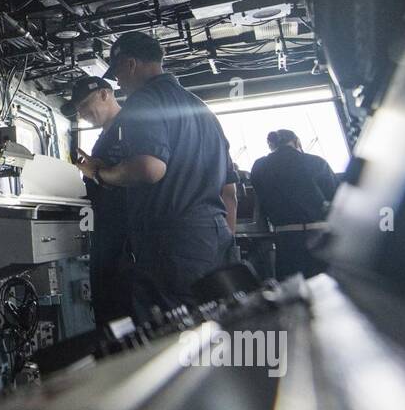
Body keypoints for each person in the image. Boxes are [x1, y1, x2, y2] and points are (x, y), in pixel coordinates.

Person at [75, 32, 234, 321]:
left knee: (169, 341)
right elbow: (229, 190)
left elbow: (149, 169)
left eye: (118, 73)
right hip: (214, 238)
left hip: (171, 246)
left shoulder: (145, 100)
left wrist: (100, 173)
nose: (119, 82)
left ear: (130, 64)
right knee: (212, 332)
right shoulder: (199, 107)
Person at [65, 76, 129, 329]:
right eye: (78, 110)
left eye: (84, 105)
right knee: (109, 315)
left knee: (120, 315)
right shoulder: (108, 135)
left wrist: (97, 174)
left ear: (105, 94)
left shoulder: (129, 127)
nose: (82, 114)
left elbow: (132, 177)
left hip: (124, 241)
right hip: (108, 237)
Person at [249, 129, 339, 279]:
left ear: (271, 145)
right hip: (318, 237)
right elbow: (337, 199)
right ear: (297, 142)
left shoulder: (259, 167)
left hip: (285, 240)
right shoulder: (316, 162)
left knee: (292, 293)